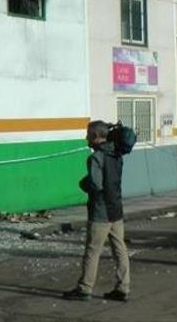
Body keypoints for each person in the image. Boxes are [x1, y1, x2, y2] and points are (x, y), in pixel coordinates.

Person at [64, 121, 130, 302]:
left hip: (100, 211)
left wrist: (83, 183)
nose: (86, 138)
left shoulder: (95, 158)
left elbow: (95, 184)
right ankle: (123, 288)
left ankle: (85, 288)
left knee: (92, 250)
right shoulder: (117, 154)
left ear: (95, 136)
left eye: (88, 134)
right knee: (120, 249)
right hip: (116, 208)